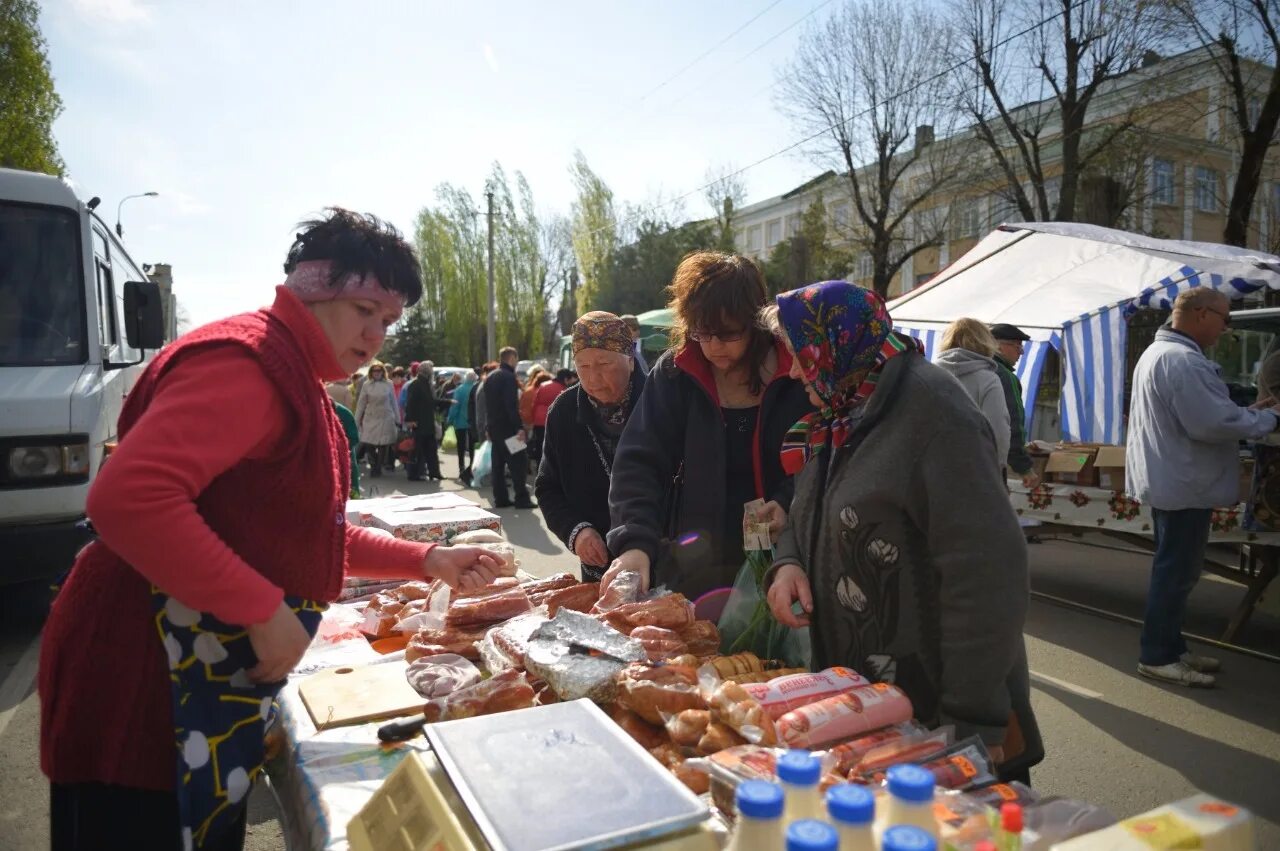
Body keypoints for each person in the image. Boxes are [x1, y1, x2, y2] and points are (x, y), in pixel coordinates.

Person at [38, 208, 501, 851]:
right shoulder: (250, 362)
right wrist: (259, 607)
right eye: (364, 309)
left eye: (388, 321)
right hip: (142, 686)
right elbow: (129, 499)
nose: (375, 336)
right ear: (312, 290)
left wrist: (427, 560)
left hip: (189, 685)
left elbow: (304, 533)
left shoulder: (300, 378)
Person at [763, 280, 1042, 784]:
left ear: (834, 345)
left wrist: (973, 719)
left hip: (936, 710)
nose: (793, 370)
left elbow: (988, 575)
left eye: (799, 354)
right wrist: (790, 561)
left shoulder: (935, 415)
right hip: (867, 702)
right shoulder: (842, 410)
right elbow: (806, 506)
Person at [605, 251, 812, 600]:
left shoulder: (796, 373)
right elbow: (638, 461)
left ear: (756, 321)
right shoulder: (676, 372)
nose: (714, 347)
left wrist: (787, 500)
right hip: (694, 558)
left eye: (729, 334)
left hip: (785, 556)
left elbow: (821, 455)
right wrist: (634, 543)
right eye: (702, 332)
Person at [1127, 288, 1278, 687]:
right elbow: (1211, 424)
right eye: (1225, 319)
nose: (1226, 328)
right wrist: (1268, 420)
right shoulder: (1182, 361)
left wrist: (1246, 414)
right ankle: (1157, 655)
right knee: (1175, 573)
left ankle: (1171, 648)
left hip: (1176, 479)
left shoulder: (1162, 354)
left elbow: (1209, 416)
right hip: (1183, 482)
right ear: (1200, 314)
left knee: (1177, 571)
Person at [537, 315, 646, 581]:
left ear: (630, 360)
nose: (593, 377)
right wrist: (577, 531)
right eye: (583, 366)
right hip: (599, 571)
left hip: (660, 563)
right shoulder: (563, 412)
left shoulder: (658, 402)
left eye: (604, 363)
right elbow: (547, 488)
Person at [934, 318, 1011, 467]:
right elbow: (998, 431)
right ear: (985, 342)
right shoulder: (988, 380)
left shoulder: (928, 373)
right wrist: (996, 469)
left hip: (931, 470)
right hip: (974, 469)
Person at [486, 347, 536, 509]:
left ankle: (500, 498)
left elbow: (488, 406)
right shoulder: (508, 378)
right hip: (509, 429)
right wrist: (519, 428)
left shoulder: (490, 376)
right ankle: (522, 498)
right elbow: (511, 406)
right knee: (519, 462)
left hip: (495, 429)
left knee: (498, 466)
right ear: (512, 358)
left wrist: (488, 427)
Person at [990, 323, 1038, 487]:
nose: (1021, 351)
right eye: (1017, 345)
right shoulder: (1004, 376)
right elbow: (1011, 424)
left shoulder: (951, 369)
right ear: (997, 346)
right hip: (990, 461)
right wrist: (1024, 467)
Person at [355, 361, 399, 477]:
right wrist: (356, 420)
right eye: (374, 370)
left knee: (383, 444)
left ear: (382, 372)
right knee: (369, 443)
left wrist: (398, 419)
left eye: (379, 370)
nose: (377, 373)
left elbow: (394, 402)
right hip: (371, 417)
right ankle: (374, 464)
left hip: (386, 417)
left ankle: (377, 468)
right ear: (371, 372)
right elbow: (361, 404)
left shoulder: (389, 384)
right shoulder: (366, 385)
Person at [404, 360, 443, 481]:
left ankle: (434, 472)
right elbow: (410, 404)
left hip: (427, 422)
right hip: (419, 423)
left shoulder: (426, 384)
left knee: (431, 449)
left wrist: (446, 403)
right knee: (418, 450)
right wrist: (410, 420)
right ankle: (414, 474)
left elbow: (431, 402)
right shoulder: (416, 384)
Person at [532, 368, 571, 469]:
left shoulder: (543, 385)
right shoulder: (563, 389)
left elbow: (535, 403)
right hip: (552, 421)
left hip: (538, 420)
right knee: (550, 446)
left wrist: (533, 418)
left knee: (539, 444)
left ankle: (538, 467)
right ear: (566, 379)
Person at [447, 370, 479, 485]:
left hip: (460, 423)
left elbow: (455, 406)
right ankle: (472, 467)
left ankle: (461, 466)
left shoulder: (459, 389)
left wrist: (450, 420)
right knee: (472, 446)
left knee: (460, 446)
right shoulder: (476, 388)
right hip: (472, 423)